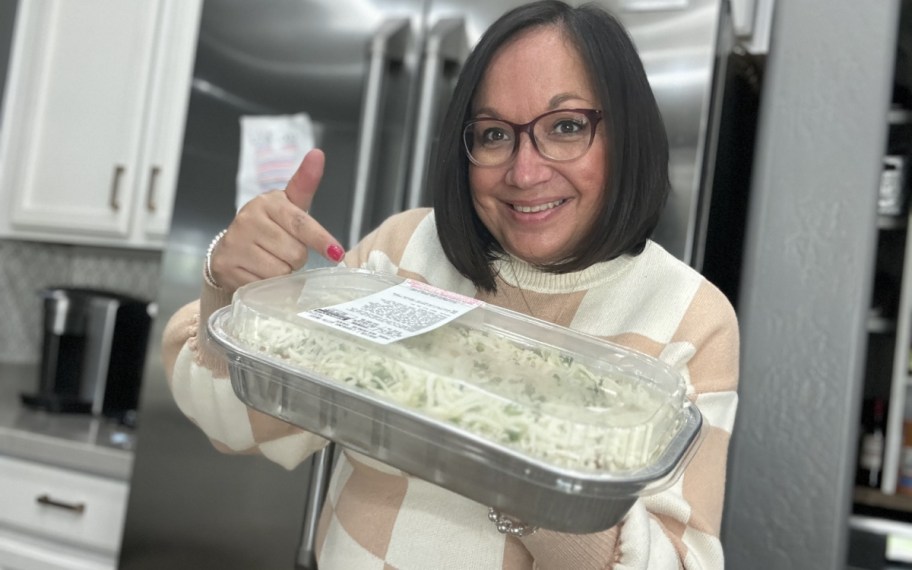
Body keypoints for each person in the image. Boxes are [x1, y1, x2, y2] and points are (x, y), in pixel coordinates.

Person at [163, 1, 739, 568]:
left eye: (566, 127)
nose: (524, 171)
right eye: (493, 134)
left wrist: (533, 478)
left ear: (629, 135)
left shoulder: (688, 313)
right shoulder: (404, 250)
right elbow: (237, 424)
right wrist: (229, 281)